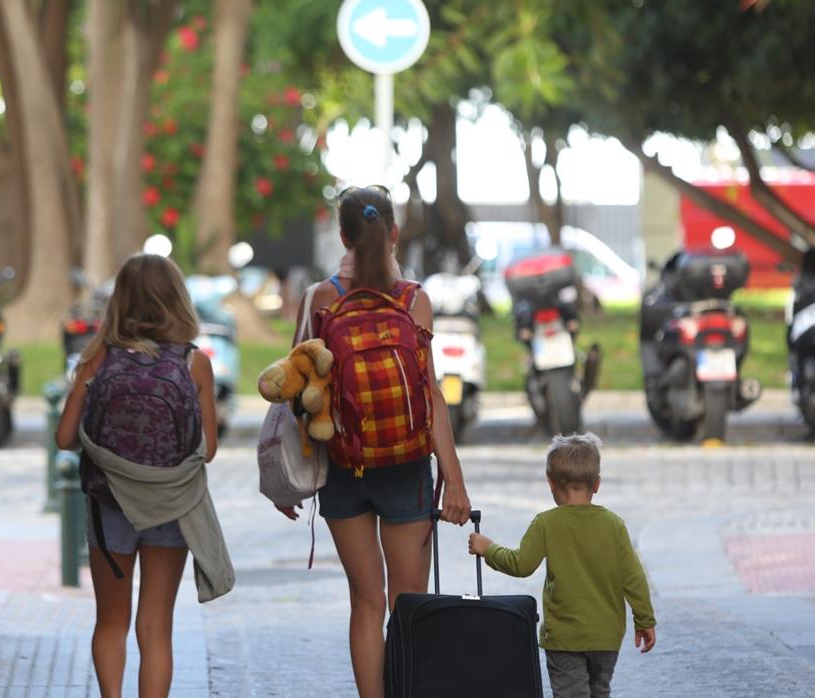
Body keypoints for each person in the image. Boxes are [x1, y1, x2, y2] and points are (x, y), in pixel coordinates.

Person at [278, 185, 472, 698]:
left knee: (365, 601)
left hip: (344, 469)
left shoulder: (321, 299)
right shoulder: (414, 300)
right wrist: (453, 480)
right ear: (394, 234)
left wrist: (283, 481)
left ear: (343, 235)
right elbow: (430, 396)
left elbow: (297, 390)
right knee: (407, 605)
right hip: (407, 468)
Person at [56, 254, 234, 698]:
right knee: (156, 627)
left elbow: (63, 438)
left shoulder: (96, 360)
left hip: (109, 505)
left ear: (119, 302)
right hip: (170, 507)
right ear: (177, 301)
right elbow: (207, 449)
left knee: (111, 622)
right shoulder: (195, 364)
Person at [468, 433, 656, 698]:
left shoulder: (546, 523)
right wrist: (644, 619)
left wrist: (488, 548)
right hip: (606, 637)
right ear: (597, 484)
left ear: (551, 483)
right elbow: (633, 577)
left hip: (565, 638)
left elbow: (521, 564)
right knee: (599, 692)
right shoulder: (614, 525)